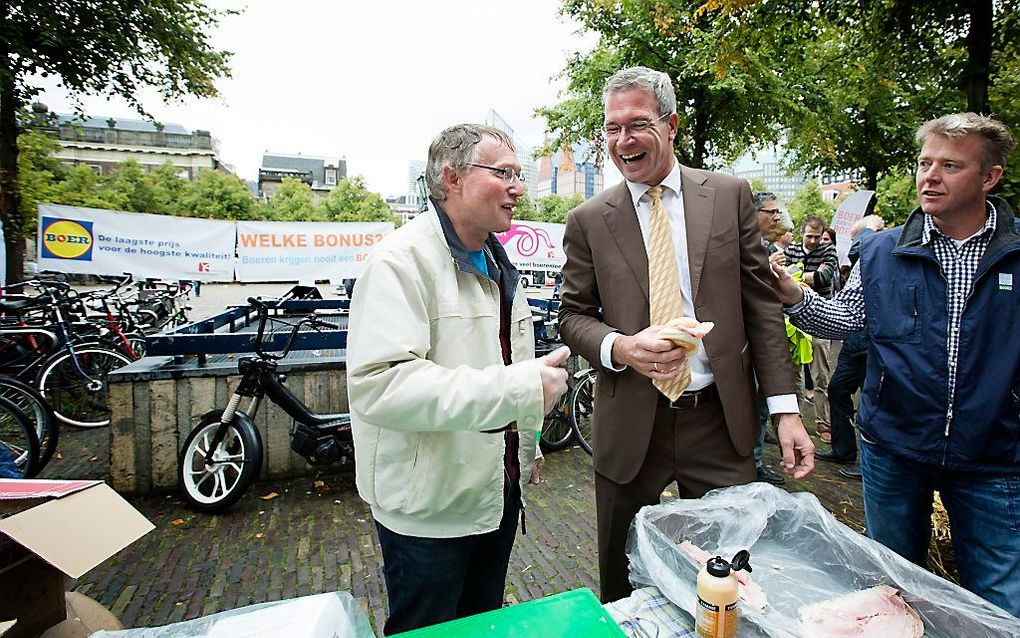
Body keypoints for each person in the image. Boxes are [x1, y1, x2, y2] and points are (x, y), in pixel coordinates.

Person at [558, 66, 814, 603]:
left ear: (671, 125)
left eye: (637, 124)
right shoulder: (587, 219)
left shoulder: (728, 195)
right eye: (611, 128)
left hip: (720, 423)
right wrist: (621, 348)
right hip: (632, 424)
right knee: (620, 581)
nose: (622, 140)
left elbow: (761, 309)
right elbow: (572, 316)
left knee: (731, 577)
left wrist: (786, 409)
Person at [771, 113, 1020, 616]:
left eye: (950, 165)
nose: (929, 176)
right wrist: (792, 295)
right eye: (925, 162)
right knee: (889, 587)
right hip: (894, 447)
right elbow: (843, 318)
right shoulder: (883, 250)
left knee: (999, 601)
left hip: (994, 455)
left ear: (989, 177)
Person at [346, 123, 570, 634]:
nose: (518, 186)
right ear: (451, 178)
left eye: (519, 173)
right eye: (503, 173)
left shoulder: (497, 258)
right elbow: (381, 386)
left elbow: (508, 357)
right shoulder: (399, 262)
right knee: (428, 627)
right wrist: (519, 391)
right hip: (429, 510)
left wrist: (526, 449)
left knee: (480, 624)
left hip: (494, 493)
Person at [814, 215, 884, 478]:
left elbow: (859, 248)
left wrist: (867, 230)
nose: (854, 244)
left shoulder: (880, 244)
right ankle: (843, 449)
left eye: (858, 236)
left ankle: (869, 463)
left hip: (873, 342)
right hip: (853, 340)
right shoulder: (862, 253)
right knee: (837, 389)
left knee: (870, 400)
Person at [785, 216, 839, 441]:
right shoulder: (792, 249)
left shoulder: (829, 251)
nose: (814, 241)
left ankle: (823, 422)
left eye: (817, 236)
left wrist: (793, 275)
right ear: (801, 234)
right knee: (793, 372)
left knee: (821, 373)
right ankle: (794, 419)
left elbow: (824, 278)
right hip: (793, 318)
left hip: (819, 317)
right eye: (809, 236)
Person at [751, 191, 788, 485]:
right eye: (770, 212)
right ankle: (753, 462)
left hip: (766, 340)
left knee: (762, 403)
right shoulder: (749, 248)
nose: (777, 217)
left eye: (778, 212)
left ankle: (756, 458)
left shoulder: (766, 247)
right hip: (749, 342)